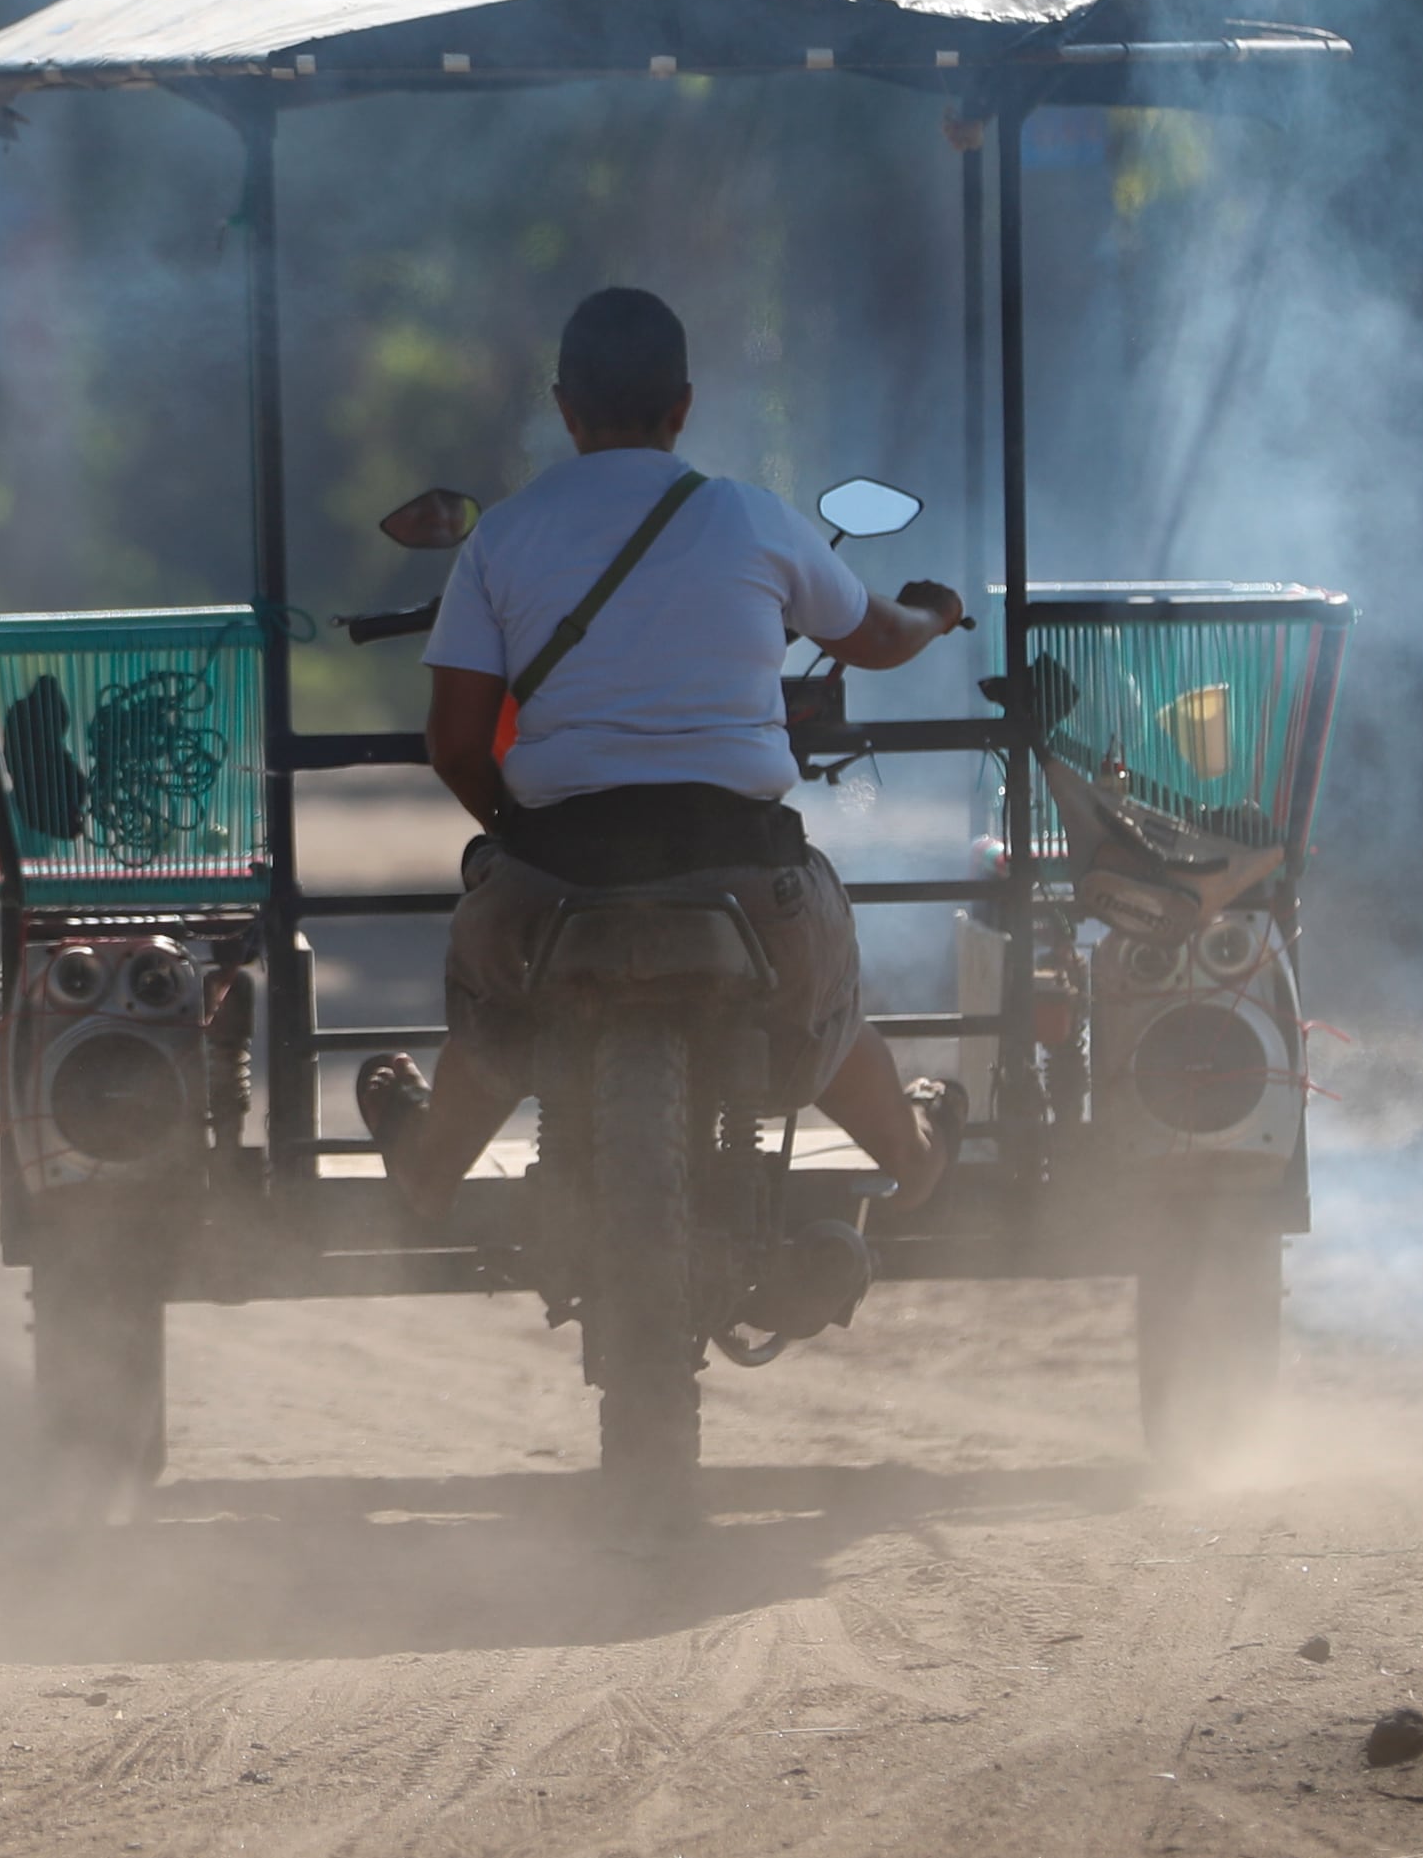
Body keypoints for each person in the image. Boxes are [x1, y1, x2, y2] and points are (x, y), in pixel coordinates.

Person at [364, 285, 970, 1229]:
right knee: (825, 1006)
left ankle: (430, 1171)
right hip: (744, 867)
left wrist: (519, 833)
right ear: (682, 407)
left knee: (495, 1019)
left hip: (555, 871)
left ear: (565, 408)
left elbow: (454, 741)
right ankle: (914, 1158)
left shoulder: (502, 537)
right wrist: (935, 611)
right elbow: (879, 638)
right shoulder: (752, 518)